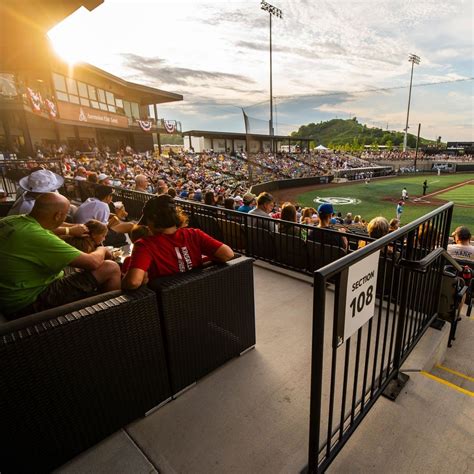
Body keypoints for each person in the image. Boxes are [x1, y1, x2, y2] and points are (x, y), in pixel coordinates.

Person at [0, 193, 121, 319]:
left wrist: (71, 229)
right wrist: (102, 249)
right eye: (64, 215)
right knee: (110, 268)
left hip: (8, 296)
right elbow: (93, 262)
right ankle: (110, 317)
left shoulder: (12, 220)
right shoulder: (40, 238)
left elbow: (45, 227)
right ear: (58, 215)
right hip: (29, 303)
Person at [122, 195, 234, 289]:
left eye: (147, 221)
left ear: (154, 218)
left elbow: (133, 282)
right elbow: (228, 254)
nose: (147, 226)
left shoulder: (144, 245)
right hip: (200, 292)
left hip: (167, 306)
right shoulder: (194, 234)